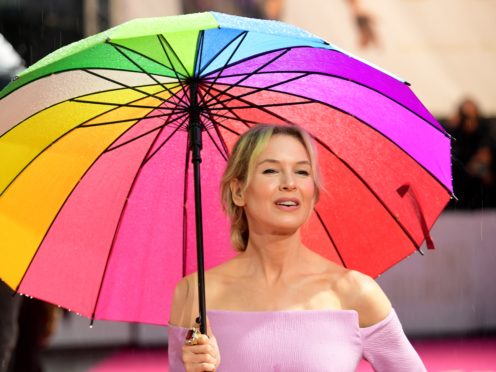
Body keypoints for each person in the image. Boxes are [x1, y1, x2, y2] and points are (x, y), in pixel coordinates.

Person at [168, 124, 426, 371]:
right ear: (238, 191)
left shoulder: (355, 292)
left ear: (313, 192)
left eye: (302, 172)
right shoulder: (194, 293)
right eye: (271, 171)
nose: (290, 183)